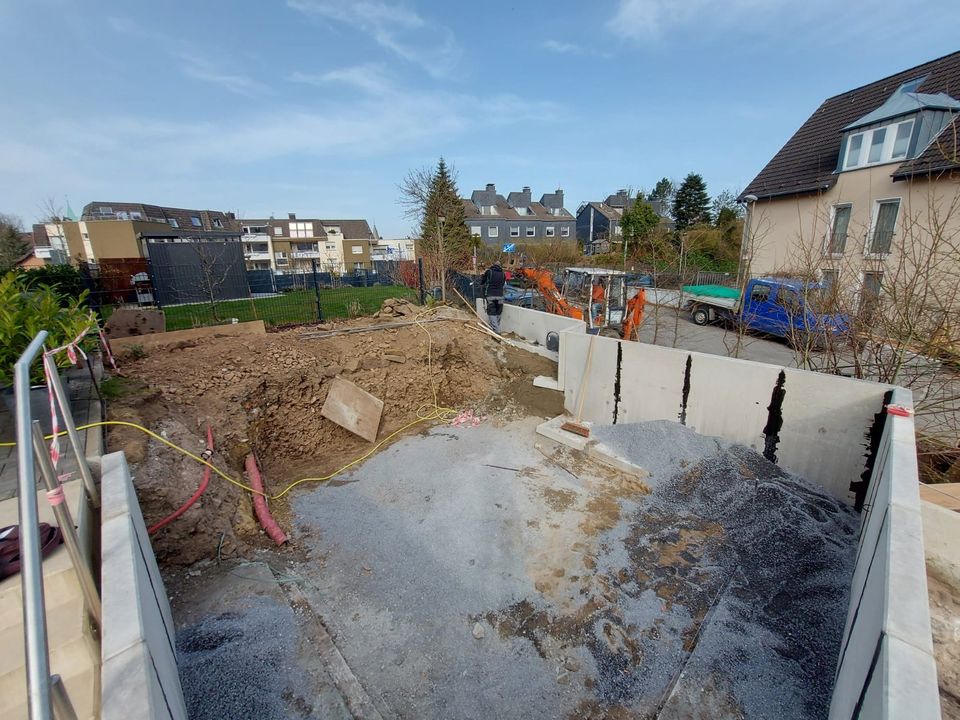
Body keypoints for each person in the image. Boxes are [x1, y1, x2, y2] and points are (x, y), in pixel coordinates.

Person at [480, 260, 506, 335]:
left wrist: (483, 277)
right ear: (500, 266)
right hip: (500, 296)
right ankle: (496, 328)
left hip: (490, 295)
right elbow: (503, 283)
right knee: (498, 312)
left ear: (493, 265)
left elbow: (482, 282)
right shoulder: (503, 273)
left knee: (492, 312)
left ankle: (496, 330)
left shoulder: (489, 272)